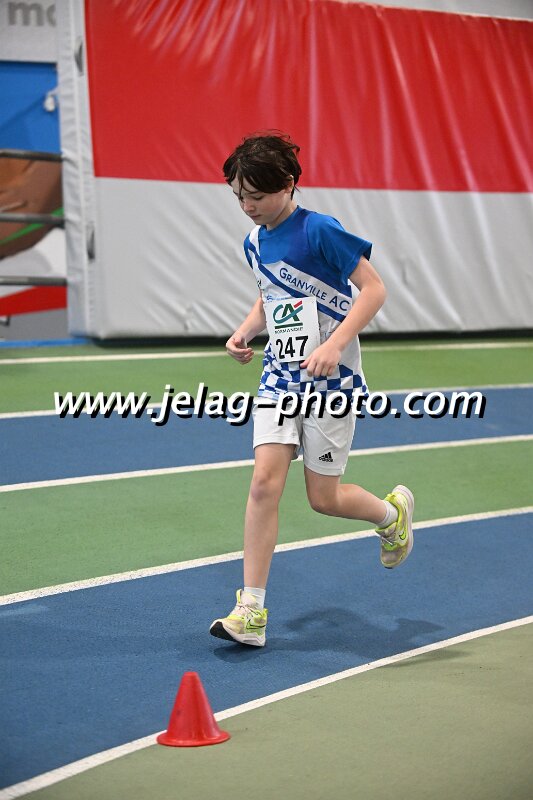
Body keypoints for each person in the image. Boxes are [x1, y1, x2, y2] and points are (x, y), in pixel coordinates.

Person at [210, 132, 413, 647]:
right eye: (239, 196)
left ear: (288, 184)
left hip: (331, 381)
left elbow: (374, 290)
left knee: (324, 498)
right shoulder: (254, 243)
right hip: (279, 376)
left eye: (257, 195)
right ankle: (250, 611)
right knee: (263, 483)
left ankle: (391, 515)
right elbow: (269, 295)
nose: (248, 206)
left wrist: (335, 345)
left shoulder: (320, 230)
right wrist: (244, 331)